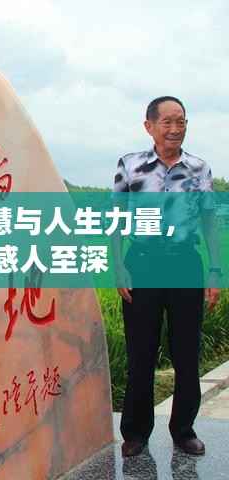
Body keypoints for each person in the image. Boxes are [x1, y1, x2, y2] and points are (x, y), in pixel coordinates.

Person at [112, 96, 222, 457]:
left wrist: (215, 270)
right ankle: (135, 432)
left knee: (186, 352)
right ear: (149, 126)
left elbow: (209, 221)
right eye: (167, 122)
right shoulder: (130, 166)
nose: (175, 129)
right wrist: (118, 265)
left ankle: (184, 430)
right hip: (142, 264)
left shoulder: (199, 169)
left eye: (181, 121)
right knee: (141, 352)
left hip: (185, 263)